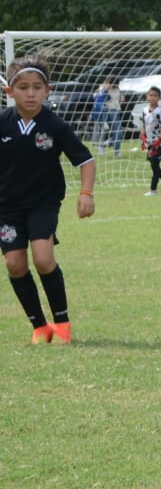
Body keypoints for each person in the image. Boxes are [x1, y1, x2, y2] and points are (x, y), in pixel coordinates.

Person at [1, 59, 96, 344]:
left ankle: (62, 323)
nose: (30, 93)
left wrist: (86, 194)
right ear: (9, 91)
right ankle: (40, 327)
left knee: (43, 258)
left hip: (43, 203)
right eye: (23, 87)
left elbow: (86, 160)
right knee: (15, 265)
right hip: (6, 207)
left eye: (37, 87)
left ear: (48, 90)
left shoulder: (55, 125)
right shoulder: (2, 123)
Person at [91, 81, 121, 158]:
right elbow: (96, 96)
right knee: (117, 131)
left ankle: (105, 145)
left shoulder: (117, 88)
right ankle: (116, 152)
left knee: (119, 133)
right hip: (107, 111)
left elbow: (117, 98)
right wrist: (104, 90)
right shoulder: (103, 87)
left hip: (116, 110)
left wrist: (121, 98)